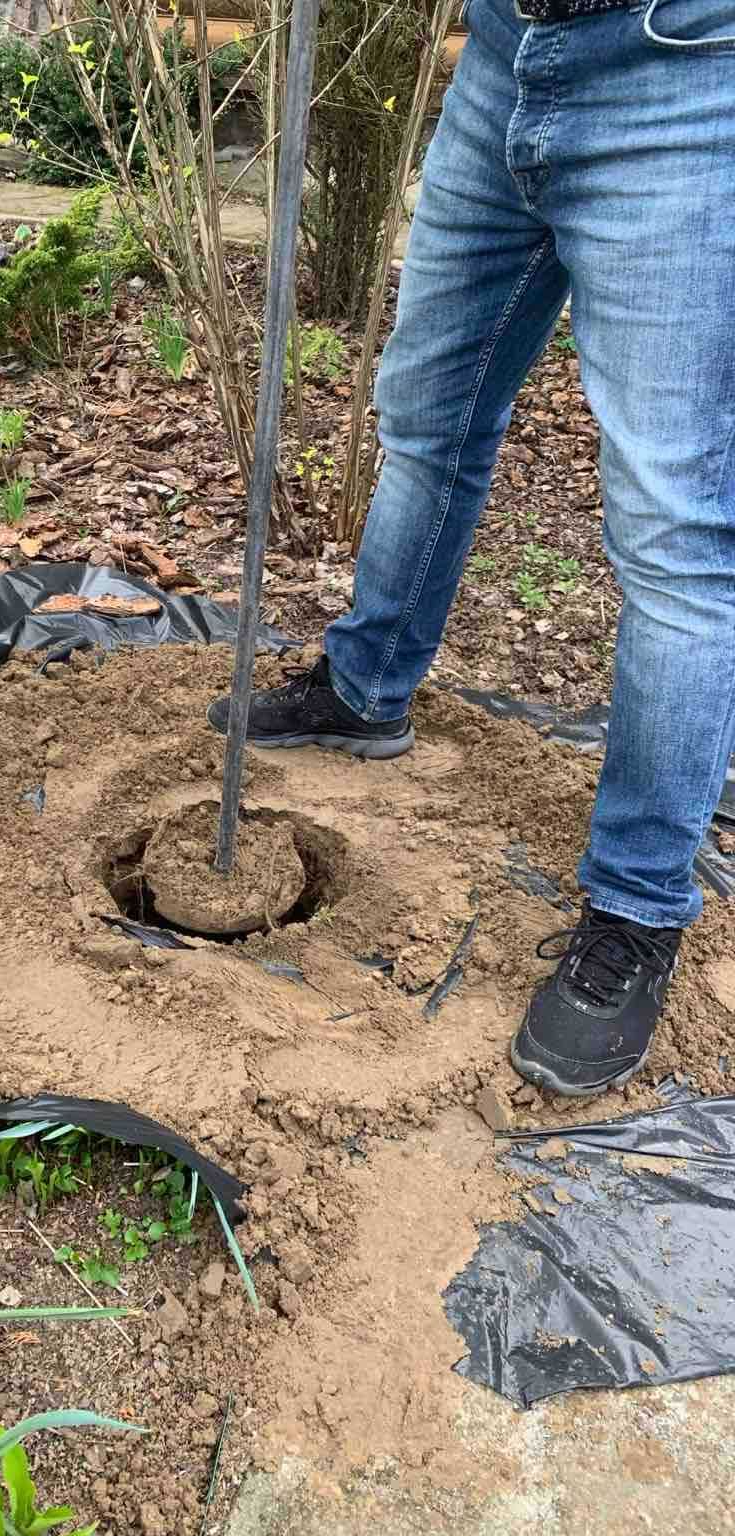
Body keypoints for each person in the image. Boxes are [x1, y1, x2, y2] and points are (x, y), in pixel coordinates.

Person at [208, 0, 735, 1100]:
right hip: (504, 52)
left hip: (689, 74)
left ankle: (637, 908)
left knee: (675, 527)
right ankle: (367, 689)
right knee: (428, 417)